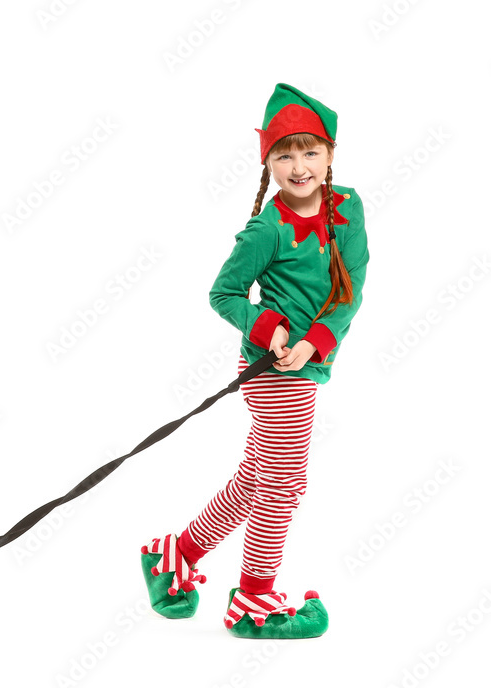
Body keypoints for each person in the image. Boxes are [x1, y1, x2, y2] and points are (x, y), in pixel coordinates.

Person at [141, 83, 369, 639]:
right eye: (284, 153)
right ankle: (254, 598)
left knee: (258, 478)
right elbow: (224, 293)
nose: (298, 166)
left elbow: (352, 285)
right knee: (284, 485)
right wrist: (270, 331)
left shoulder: (348, 209)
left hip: (308, 364)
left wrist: (315, 340)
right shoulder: (267, 228)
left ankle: (178, 552)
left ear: (331, 154)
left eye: (310, 151)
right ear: (266, 159)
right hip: (273, 376)